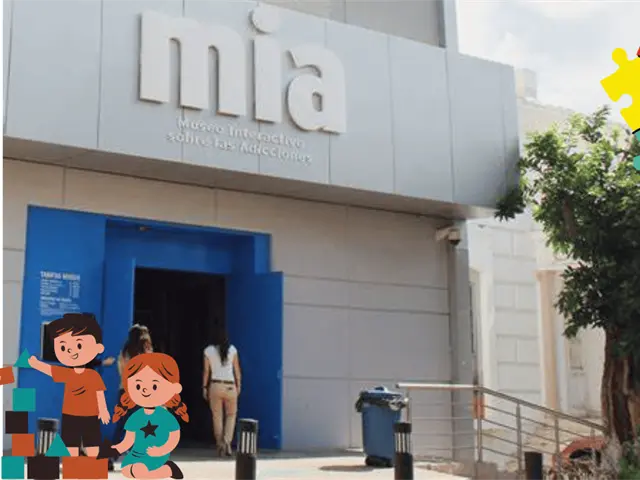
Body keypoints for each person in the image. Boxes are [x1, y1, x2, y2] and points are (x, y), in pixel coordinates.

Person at [28, 313, 110, 458]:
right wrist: (36, 364)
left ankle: (86, 457)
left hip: (86, 413)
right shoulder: (72, 373)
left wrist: (102, 409)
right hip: (73, 414)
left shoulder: (90, 375)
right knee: (74, 443)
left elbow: (98, 391)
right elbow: (51, 370)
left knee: (87, 442)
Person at [111, 352, 188, 480]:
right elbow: (128, 440)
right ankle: (166, 470)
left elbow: (173, 436)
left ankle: (159, 468)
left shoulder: (124, 355)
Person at [109, 324, 153, 471]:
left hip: (124, 392)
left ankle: (110, 457)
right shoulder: (145, 353)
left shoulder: (124, 353)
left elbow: (121, 371)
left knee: (121, 425)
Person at [202, 330, 241, 457]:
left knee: (217, 416)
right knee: (231, 415)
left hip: (215, 385)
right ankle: (227, 442)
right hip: (230, 385)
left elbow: (206, 371)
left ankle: (219, 443)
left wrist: (204, 387)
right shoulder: (233, 350)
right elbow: (237, 370)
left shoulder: (208, 351)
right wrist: (238, 385)